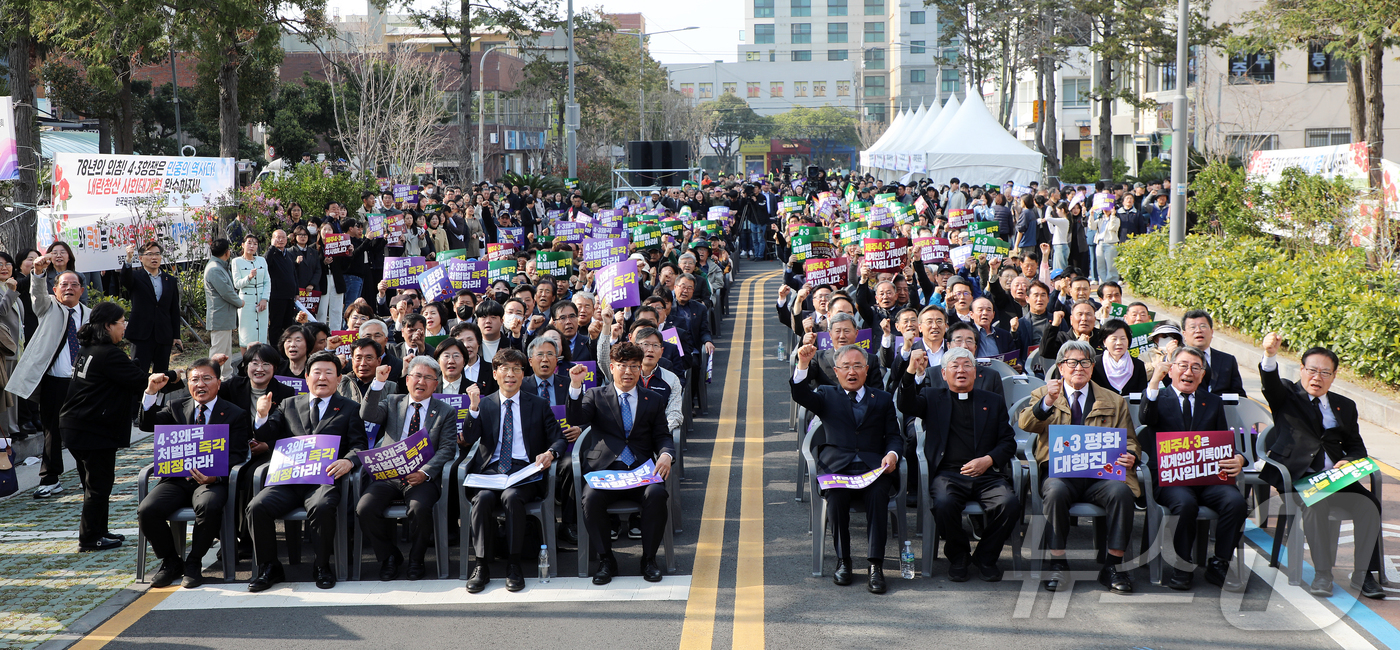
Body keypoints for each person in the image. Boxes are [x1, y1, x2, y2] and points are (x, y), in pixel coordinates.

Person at [1256, 332, 1383, 599]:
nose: (1317, 377)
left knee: (1370, 505)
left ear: (1334, 376)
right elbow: (1269, 383)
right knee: (1316, 504)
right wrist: (1269, 355)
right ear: (1302, 370)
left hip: (1335, 480)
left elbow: (1357, 447)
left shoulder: (1344, 406)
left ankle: (1364, 575)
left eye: (1325, 372)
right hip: (1299, 478)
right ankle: (1323, 574)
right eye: (1312, 370)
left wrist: (1347, 461)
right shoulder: (1287, 395)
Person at [1018, 340, 1140, 594]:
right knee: (1054, 492)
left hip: (1101, 476)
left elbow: (1129, 439)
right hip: (1062, 473)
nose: (1079, 368)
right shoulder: (1044, 394)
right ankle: (1058, 563)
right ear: (1060, 367)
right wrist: (1048, 402)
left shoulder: (1113, 401)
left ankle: (1113, 566)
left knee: (1121, 493)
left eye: (1085, 362)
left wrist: (1131, 455)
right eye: (1071, 362)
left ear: (1092, 368)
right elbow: (1025, 423)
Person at [247, 350, 368, 591]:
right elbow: (267, 434)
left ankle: (322, 565)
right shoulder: (288, 404)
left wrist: (348, 461)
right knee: (257, 507)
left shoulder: (350, 408)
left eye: (329, 373)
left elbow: (359, 445)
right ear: (306, 376)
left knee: (322, 506)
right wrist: (261, 415)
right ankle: (270, 567)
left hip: (324, 479)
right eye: (317, 372)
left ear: (338, 377)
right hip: (288, 480)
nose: (322, 377)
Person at [899, 346, 1021, 581]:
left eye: (967, 366)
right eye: (954, 366)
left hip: (986, 474)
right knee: (944, 504)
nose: (961, 370)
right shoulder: (932, 397)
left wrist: (988, 460)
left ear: (976, 373)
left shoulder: (992, 401)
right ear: (944, 374)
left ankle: (985, 556)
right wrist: (910, 372)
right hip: (948, 474)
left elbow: (1008, 441)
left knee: (1010, 504)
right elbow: (906, 404)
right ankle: (959, 556)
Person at [791, 343, 901, 593]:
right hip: (837, 468)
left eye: (857, 366)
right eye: (846, 367)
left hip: (874, 468)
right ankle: (844, 561)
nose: (852, 372)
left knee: (877, 496)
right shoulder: (827, 394)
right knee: (837, 499)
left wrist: (892, 455)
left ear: (866, 369)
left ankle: (876, 565)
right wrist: (803, 365)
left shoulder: (882, 399)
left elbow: (894, 436)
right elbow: (800, 395)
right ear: (837, 371)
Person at [136, 358, 252, 588]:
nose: (200, 384)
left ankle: (194, 562)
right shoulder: (176, 407)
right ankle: (171, 561)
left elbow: (238, 456)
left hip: (212, 480)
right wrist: (150, 392)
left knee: (208, 505)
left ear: (219, 383)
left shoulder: (235, 414)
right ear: (188, 384)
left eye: (207, 379)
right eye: (194, 379)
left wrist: (215, 477)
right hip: (177, 479)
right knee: (147, 510)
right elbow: (147, 425)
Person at [1139, 346, 1247, 592]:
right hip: (1171, 479)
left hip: (1207, 478)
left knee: (1236, 502)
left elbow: (1224, 443)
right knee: (1184, 504)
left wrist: (1239, 459)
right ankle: (1182, 564)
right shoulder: (1159, 397)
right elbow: (1145, 418)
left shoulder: (1213, 402)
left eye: (1195, 367)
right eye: (1183, 366)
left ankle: (1219, 563)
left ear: (1202, 374)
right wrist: (1155, 380)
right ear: (1171, 369)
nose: (1189, 372)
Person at [567, 341, 675, 584]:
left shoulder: (653, 399)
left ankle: (648, 559)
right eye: (623, 366)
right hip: (606, 471)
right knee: (591, 499)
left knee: (656, 495)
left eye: (634, 366)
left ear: (641, 368)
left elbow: (662, 435)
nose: (629, 372)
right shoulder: (595, 395)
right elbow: (576, 417)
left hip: (640, 471)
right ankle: (607, 559)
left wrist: (667, 454)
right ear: (612, 367)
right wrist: (575, 386)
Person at [460, 348, 566, 592]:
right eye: (505, 369)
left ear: (522, 373)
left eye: (516, 369)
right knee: (483, 499)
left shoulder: (538, 404)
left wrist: (550, 453)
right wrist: (473, 407)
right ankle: (481, 565)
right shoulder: (485, 404)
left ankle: (514, 563)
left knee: (512, 497)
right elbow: (469, 437)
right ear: (495, 374)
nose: (510, 374)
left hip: (524, 471)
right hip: (491, 470)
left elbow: (558, 439)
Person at [58, 302, 155, 550]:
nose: (125, 326)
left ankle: (99, 530)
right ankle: (90, 538)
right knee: (99, 486)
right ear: (108, 325)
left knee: (93, 484)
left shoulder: (88, 349)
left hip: (77, 425)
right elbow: (141, 381)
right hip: (92, 429)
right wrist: (177, 378)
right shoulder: (108, 354)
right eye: (122, 322)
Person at [357, 357, 458, 581]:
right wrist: (378, 384)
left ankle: (417, 558)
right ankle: (390, 557)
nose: (421, 381)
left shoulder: (445, 412)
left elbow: (447, 449)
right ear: (408, 379)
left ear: (436, 384)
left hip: (421, 477)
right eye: (417, 376)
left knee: (419, 509)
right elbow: (368, 415)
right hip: (389, 475)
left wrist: (425, 472)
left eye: (428, 378)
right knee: (365, 508)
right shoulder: (392, 401)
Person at [7, 257, 92, 498]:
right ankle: (50, 477)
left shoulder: (90, 314)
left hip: (83, 383)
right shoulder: (49, 307)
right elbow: (37, 295)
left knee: (84, 430)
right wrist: (38, 272)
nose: (68, 288)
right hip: (56, 381)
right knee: (52, 431)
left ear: (81, 289)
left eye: (74, 285)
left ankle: (88, 477)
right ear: (55, 289)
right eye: (63, 284)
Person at [121, 242, 181, 375]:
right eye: (150, 254)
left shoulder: (169, 280)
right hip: (141, 334)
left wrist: (176, 336)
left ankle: (159, 397)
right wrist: (128, 259)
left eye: (157, 254)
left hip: (163, 334)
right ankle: (139, 397)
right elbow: (125, 279)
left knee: (161, 375)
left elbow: (174, 309)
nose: (154, 257)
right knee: (138, 373)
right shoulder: (136, 277)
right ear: (141, 258)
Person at [1181, 310, 1245, 397]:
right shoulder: (1178, 360)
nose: (1198, 330)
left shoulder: (1228, 360)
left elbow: (1239, 395)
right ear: (1184, 334)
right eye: (1193, 327)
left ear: (1211, 332)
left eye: (1203, 326)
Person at [203, 239, 244, 358]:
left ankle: (226, 376)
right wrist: (240, 302)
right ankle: (213, 375)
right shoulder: (214, 268)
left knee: (226, 352)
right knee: (218, 351)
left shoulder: (219, 266)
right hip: (219, 317)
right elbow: (226, 292)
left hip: (224, 316)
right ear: (227, 252)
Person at [1091, 319, 1148, 396]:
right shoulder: (1095, 363)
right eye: (1114, 339)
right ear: (1104, 341)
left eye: (1123, 338)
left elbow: (1141, 395)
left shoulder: (1138, 365)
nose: (1119, 343)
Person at [233, 235, 271, 347]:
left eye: (255, 244)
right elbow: (237, 284)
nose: (252, 246)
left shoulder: (262, 260)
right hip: (246, 300)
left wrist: (265, 298)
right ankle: (246, 361)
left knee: (261, 332)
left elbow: (267, 281)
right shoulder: (237, 261)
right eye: (249, 243)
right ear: (243, 245)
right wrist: (249, 277)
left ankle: (261, 358)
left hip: (261, 299)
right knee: (246, 334)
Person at [264, 230, 298, 346]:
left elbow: (294, 274)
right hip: (276, 295)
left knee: (289, 325)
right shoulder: (271, 254)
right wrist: (272, 247)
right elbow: (265, 263)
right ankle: (274, 350)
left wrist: (296, 291)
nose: (281, 240)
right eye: (278, 237)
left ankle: (285, 349)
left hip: (289, 295)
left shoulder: (289, 254)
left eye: (283, 237)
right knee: (276, 325)